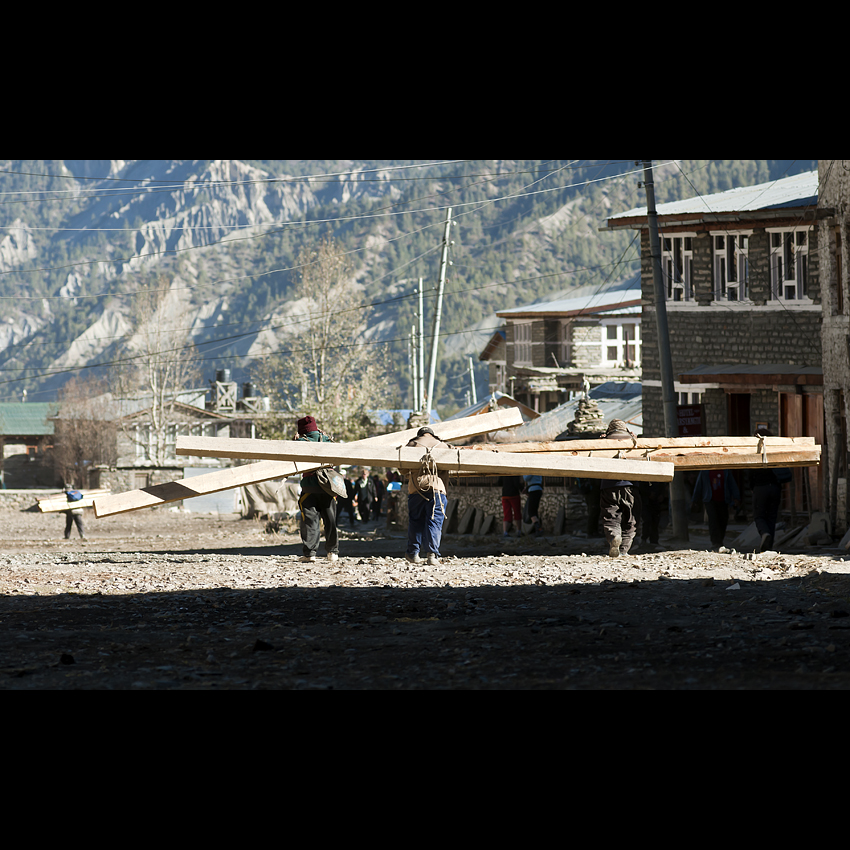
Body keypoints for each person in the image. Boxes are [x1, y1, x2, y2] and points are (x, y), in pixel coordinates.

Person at [405, 426, 451, 566]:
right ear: (432, 435)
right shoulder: (443, 445)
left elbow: (401, 468)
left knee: (415, 521)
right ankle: (432, 555)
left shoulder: (412, 444)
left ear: (420, 435)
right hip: (437, 490)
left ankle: (413, 554)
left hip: (416, 489)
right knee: (434, 522)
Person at [295, 415, 339, 563]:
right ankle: (333, 553)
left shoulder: (300, 442)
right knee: (330, 520)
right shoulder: (326, 439)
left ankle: (310, 554)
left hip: (309, 489)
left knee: (310, 522)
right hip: (328, 488)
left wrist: (294, 440)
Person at [600, 419, 641, 557]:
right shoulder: (633, 442)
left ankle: (614, 536)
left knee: (611, 517)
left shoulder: (604, 443)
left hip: (609, 486)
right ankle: (623, 550)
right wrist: (633, 436)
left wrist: (601, 440)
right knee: (631, 520)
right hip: (630, 486)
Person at [751, 428, 790, 552]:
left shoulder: (756, 452)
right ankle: (769, 546)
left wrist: (752, 488)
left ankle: (764, 534)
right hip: (775, 488)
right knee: (772, 517)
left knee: (759, 516)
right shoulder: (775, 452)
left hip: (760, 488)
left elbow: (750, 473)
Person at [690, 470, 740, 550]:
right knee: (713, 520)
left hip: (723, 500)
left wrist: (736, 497)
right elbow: (699, 485)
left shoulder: (726, 472)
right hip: (710, 500)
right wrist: (694, 500)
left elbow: (732, 484)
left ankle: (720, 541)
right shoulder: (705, 472)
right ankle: (715, 542)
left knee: (723, 520)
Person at [638, 480, 668, 550]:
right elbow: (641, 486)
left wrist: (661, 494)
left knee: (655, 520)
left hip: (656, 500)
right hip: (645, 500)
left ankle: (654, 541)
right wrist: (648, 494)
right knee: (646, 520)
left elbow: (662, 484)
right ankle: (643, 540)